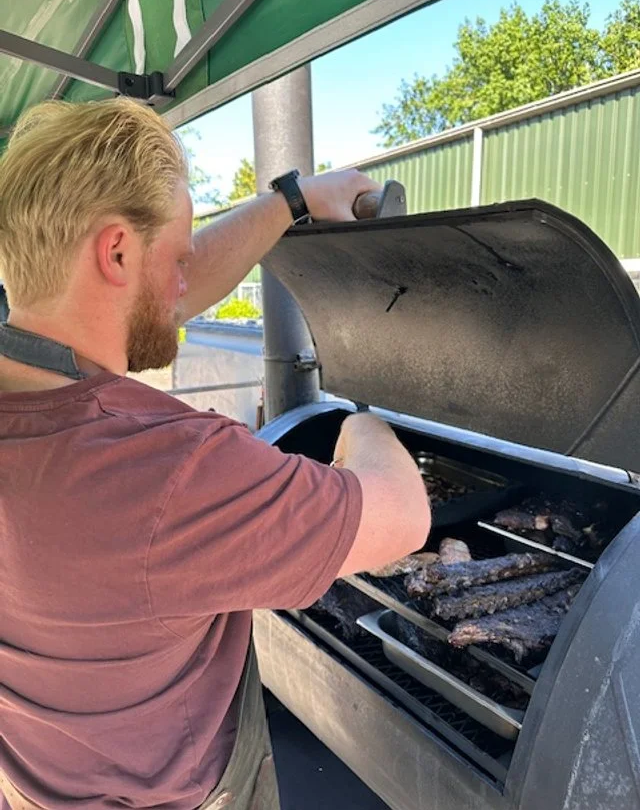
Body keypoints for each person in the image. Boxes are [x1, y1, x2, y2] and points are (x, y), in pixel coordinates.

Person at [0, 99, 431, 810]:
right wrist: (363, 426)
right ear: (114, 252)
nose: (186, 280)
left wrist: (292, 202)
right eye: (177, 255)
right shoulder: (164, 469)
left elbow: (148, 305)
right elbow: (403, 516)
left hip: (34, 780)